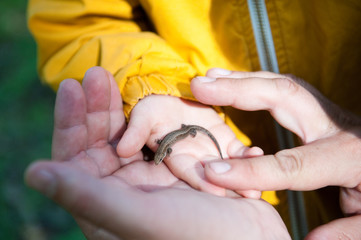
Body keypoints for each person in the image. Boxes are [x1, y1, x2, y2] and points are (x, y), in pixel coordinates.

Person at [27, 0, 361, 236]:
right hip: (190, 133)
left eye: (160, 154)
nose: (160, 155)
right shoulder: (169, 146)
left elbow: (173, 144)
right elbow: (81, 18)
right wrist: (157, 87)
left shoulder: (170, 147)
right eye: (160, 155)